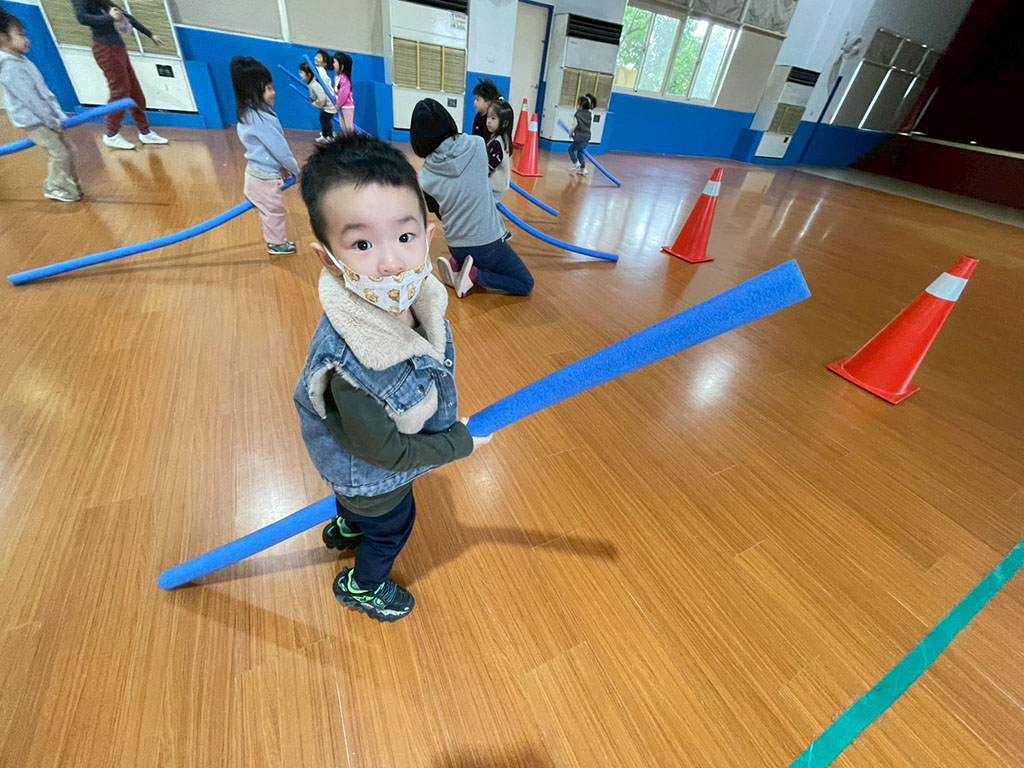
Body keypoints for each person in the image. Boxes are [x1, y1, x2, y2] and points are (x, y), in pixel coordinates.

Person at [295, 134, 492, 622]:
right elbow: (386, 455)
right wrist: (459, 444)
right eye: (362, 244)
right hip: (373, 479)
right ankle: (363, 585)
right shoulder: (352, 369)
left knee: (359, 509)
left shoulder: (419, 297)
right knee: (392, 530)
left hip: (363, 469)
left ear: (428, 235)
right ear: (329, 260)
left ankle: (347, 526)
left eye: (405, 237)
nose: (390, 263)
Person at [411, 98, 533, 299]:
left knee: (480, 253)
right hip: (487, 243)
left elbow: (440, 214)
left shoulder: (425, 176)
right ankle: (474, 275)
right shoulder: (477, 145)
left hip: (455, 244)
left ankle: (458, 265)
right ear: (448, 121)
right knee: (525, 283)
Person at [0, 11, 82, 203]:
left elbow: (44, 92)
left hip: (47, 116)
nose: (26, 40)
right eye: (20, 35)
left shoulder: (22, 60)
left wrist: (58, 115)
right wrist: (51, 121)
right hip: (34, 121)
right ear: (2, 38)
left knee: (70, 151)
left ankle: (70, 185)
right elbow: (31, 100)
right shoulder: (10, 67)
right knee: (60, 154)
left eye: (25, 34)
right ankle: (54, 186)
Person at [72, 0, 168, 150]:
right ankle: (111, 134)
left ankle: (145, 131)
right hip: (106, 50)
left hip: (117, 48)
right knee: (120, 92)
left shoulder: (102, 2)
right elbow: (82, 18)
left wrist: (150, 34)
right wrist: (110, 17)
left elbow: (125, 16)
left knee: (134, 91)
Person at [231, 56, 299, 255]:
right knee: (274, 212)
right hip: (264, 179)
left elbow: (265, 149)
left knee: (268, 211)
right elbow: (280, 150)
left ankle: (273, 239)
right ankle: (277, 244)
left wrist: (282, 168)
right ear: (254, 91)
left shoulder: (248, 113)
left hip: (257, 173)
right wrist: (296, 170)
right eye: (268, 88)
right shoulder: (261, 118)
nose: (273, 92)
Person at [485, 99, 514, 204]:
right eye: (488, 117)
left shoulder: (497, 142)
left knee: (489, 210)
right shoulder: (500, 137)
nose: (488, 121)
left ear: (504, 123)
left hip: (494, 187)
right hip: (494, 186)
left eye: (493, 118)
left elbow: (491, 165)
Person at [299, 62, 333, 145]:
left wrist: (315, 104)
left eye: (301, 72)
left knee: (325, 119)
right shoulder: (312, 83)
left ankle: (330, 137)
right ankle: (325, 135)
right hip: (326, 106)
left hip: (330, 106)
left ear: (309, 75)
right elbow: (315, 95)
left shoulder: (314, 84)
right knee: (323, 119)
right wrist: (313, 100)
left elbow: (322, 98)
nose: (300, 74)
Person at [568, 93, 594, 175]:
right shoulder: (589, 114)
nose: (576, 106)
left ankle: (576, 163)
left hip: (580, 137)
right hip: (587, 137)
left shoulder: (577, 114)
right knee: (580, 153)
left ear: (580, 106)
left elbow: (574, 125)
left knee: (570, 149)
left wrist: (570, 133)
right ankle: (583, 169)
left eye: (577, 104)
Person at [332, 51, 355, 134]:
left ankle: (352, 139)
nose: (333, 64)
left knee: (348, 126)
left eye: (335, 62)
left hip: (347, 106)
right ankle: (347, 138)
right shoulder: (338, 77)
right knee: (343, 125)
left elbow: (343, 94)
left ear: (342, 66)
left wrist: (338, 104)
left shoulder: (344, 80)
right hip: (341, 105)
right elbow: (337, 91)